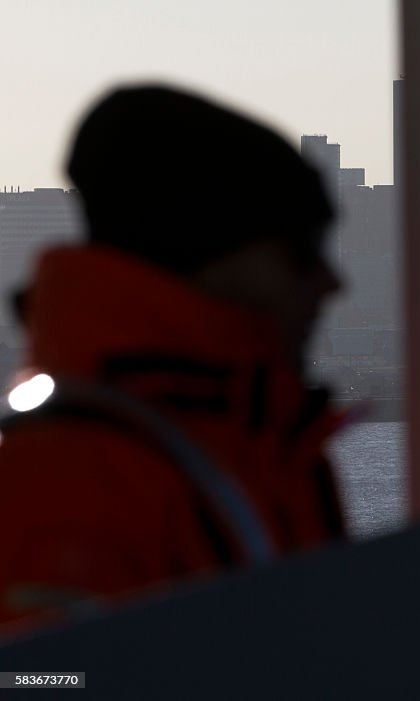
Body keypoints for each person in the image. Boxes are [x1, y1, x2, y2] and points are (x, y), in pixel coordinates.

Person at [0, 84, 349, 629]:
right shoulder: (72, 486)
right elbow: (37, 680)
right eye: (301, 254)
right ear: (212, 261)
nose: (332, 284)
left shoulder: (269, 449)